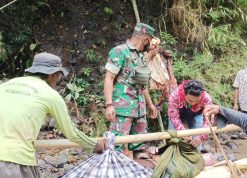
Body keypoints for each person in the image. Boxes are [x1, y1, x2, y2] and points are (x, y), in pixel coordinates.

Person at [0, 52, 105, 178]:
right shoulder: (50, 94)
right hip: (14, 161)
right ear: (52, 74)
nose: (59, 79)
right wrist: (95, 144)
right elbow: (71, 133)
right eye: (59, 75)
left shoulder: (6, 85)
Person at [104, 23, 158, 153]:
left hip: (140, 110)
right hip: (123, 109)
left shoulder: (141, 56)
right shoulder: (119, 52)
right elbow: (109, 78)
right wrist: (109, 105)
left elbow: (142, 85)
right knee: (116, 147)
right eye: (149, 41)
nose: (149, 45)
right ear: (145, 39)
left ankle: (138, 172)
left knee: (140, 147)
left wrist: (150, 105)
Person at [168, 80, 212, 151]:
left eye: (197, 101)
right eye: (190, 101)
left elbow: (208, 121)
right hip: (177, 115)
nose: (193, 103)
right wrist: (183, 132)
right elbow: (174, 117)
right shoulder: (175, 96)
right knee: (172, 136)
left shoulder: (207, 99)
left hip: (197, 114)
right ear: (184, 94)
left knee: (197, 138)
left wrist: (201, 137)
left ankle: (197, 156)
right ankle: (172, 154)